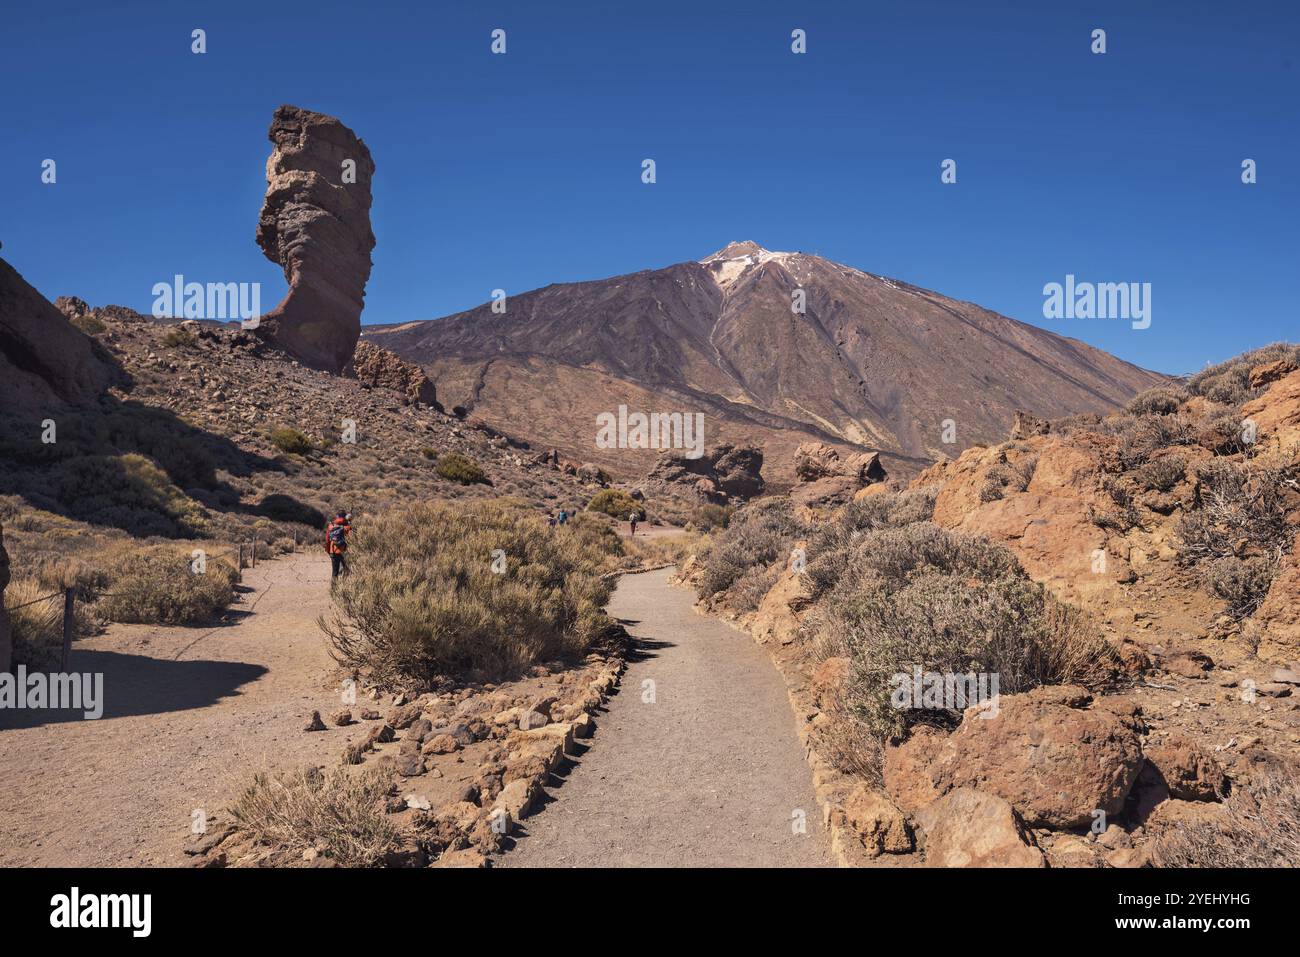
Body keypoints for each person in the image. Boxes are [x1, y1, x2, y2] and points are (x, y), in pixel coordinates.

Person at [326, 510, 352, 579]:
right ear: (345, 516)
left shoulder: (331, 525)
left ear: (337, 516)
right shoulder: (347, 527)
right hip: (344, 551)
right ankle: (343, 586)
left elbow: (327, 539)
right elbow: (351, 539)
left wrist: (329, 550)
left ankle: (334, 588)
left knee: (335, 572)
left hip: (333, 551)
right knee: (346, 570)